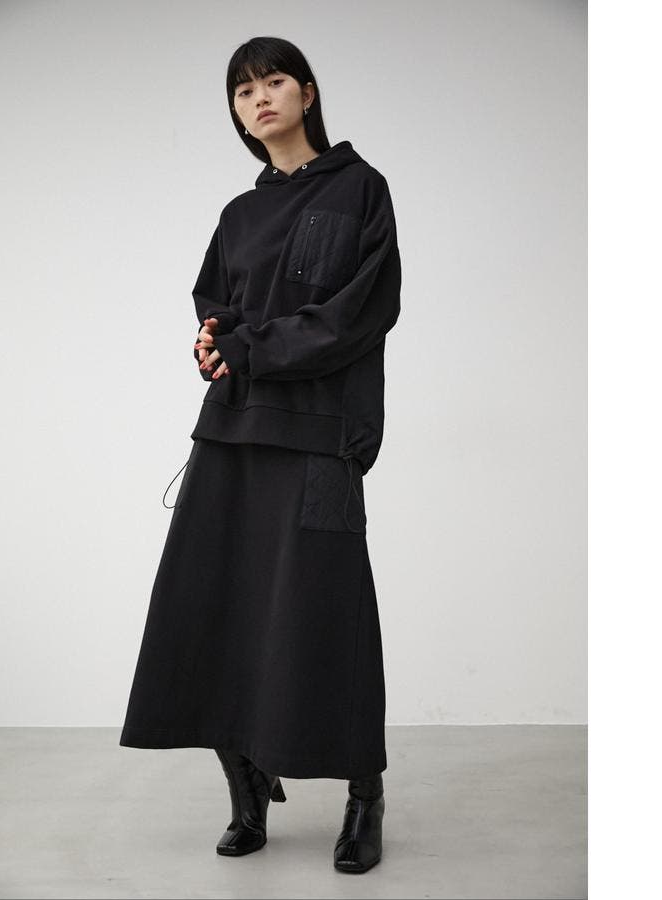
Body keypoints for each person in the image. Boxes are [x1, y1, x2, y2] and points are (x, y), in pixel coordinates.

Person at [119, 35, 402, 875]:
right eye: (243, 91)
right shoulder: (239, 215)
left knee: (330, 616)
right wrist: (213, 342)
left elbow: (360, 313)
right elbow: (216, 304)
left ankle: (364, 795)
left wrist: (250, 347)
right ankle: (245, 789)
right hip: (232, 434)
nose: (260, 98)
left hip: (320, 433)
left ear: (307, 93)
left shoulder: (360, 188)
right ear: (238, 114)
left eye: (274, 81)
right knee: (214, 607)